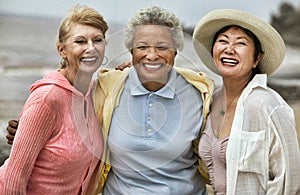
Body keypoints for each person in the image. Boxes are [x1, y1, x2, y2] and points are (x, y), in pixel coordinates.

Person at [6, 6, 214, 194]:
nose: (152, 55)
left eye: (162, 47)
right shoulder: (108, 87)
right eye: (142, 47)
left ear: (176, 50)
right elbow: (61, 104)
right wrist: (29, 132)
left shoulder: (200, 93)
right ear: (131, 51)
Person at [0, 4, 108, 194]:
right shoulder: (48, 99)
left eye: (97, 40)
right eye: (80, 41)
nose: (91, 48)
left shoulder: (95, 93)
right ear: (62, 50)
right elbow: (13, 180)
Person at [193, 9, 300, 194]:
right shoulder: (211, 99)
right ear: (213, 51)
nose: (229, 49)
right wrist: (130, 72)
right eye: (223, 41)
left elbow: (289, 180)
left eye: (240, 43)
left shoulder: (265, 104)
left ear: (257, 58)